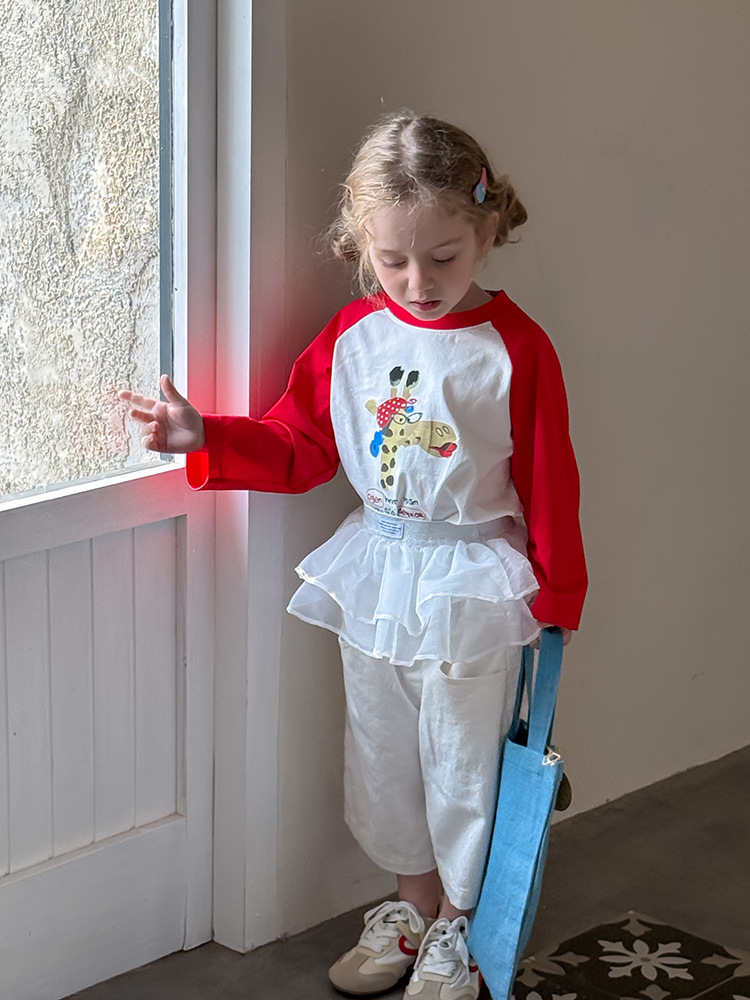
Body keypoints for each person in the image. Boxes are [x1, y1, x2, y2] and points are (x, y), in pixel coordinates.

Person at [120, 110, 587, 1000]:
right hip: (376, 573)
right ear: (361, 243)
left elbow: (549, 479)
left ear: (487, 229)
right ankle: (412, 907)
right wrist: (204, 434)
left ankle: (460, 927)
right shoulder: (352, 338)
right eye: (393, 259)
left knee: (463, 763)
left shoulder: (515, 349)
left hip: (471, 584)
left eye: (443, 257)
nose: (418, 282)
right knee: (384, 755)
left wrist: (559, 598)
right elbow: (301, 443)